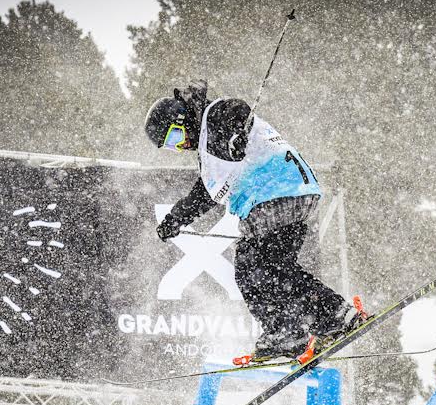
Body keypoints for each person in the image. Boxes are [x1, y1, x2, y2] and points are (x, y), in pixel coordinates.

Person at [144, 80, 367, 364]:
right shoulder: (208, 145)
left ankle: (291, 330)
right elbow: (206, 192)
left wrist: (236, 134)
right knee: (270, 267)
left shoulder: (214, 115)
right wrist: (176, 218)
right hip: (291, 193)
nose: (181, 145)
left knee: (255, 266)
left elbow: (237, 110)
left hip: (275, 193)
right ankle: (327, 318)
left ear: (182, 120)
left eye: (175, 137)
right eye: (172, 147)